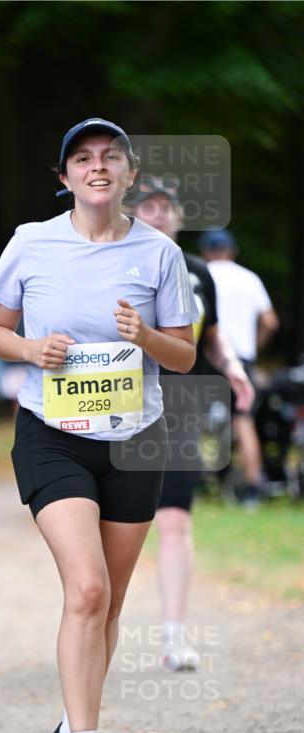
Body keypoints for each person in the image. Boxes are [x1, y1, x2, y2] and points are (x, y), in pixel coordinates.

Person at [0, 118, 199, 733]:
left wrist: (147, 336)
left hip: (134, 439)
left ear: (129, 175)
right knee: (87, 589)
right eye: (82, 158)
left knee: (109, 601)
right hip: (52, 433)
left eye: (110, 157)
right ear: (64, 176)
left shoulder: (159, 253)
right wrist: (29, 349)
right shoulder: (31, 242)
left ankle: (68, 727)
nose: (97, 166)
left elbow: (185, 356)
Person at [131, 179, 254, 670]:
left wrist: (233, 366)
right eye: (148, 206)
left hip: (179, 405)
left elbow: (214, 336)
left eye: (168, 207)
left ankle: (172, 636)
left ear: (180, 218)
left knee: (175, 520)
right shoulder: (113, 264)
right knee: (111, 526)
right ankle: (95, 623)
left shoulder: (198, 272)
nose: (159, 213)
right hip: (119, 405)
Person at [200, 229, 279, 507]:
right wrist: (253, 347)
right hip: (241, 360)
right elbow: (270, 322)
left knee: (191, 418)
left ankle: (192, 482)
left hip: (207, 356)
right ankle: (252, 488)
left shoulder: (202, 274)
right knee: (243, 421)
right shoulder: (249, 278)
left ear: (205, 252)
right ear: (232, 250)